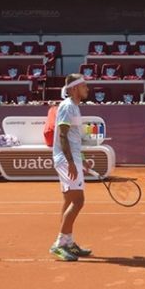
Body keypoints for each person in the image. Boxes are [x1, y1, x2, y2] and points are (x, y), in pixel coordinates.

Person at [49, 74, 92, 261]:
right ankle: (59, 245)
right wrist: (72, 162)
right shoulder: (67, 107)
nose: (87, 89)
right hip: (66, 159)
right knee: (78, 201)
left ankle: (68, 242)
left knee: (69, 201)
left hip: (71, 157)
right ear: (74, 88)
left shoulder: (74, 107)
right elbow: (63, 137)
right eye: (84, 86)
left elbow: (74, 138)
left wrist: (81, 159)